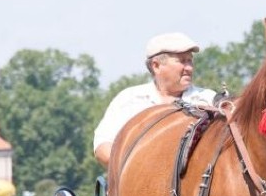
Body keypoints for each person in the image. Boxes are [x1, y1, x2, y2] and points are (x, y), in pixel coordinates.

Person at [93, 32, 217, 167]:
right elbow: (102, 146)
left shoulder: (208, 100)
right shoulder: (129, 100)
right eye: (182, 61)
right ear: (156, 65)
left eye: (190, 60)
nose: (189, 67)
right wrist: (136, 170)